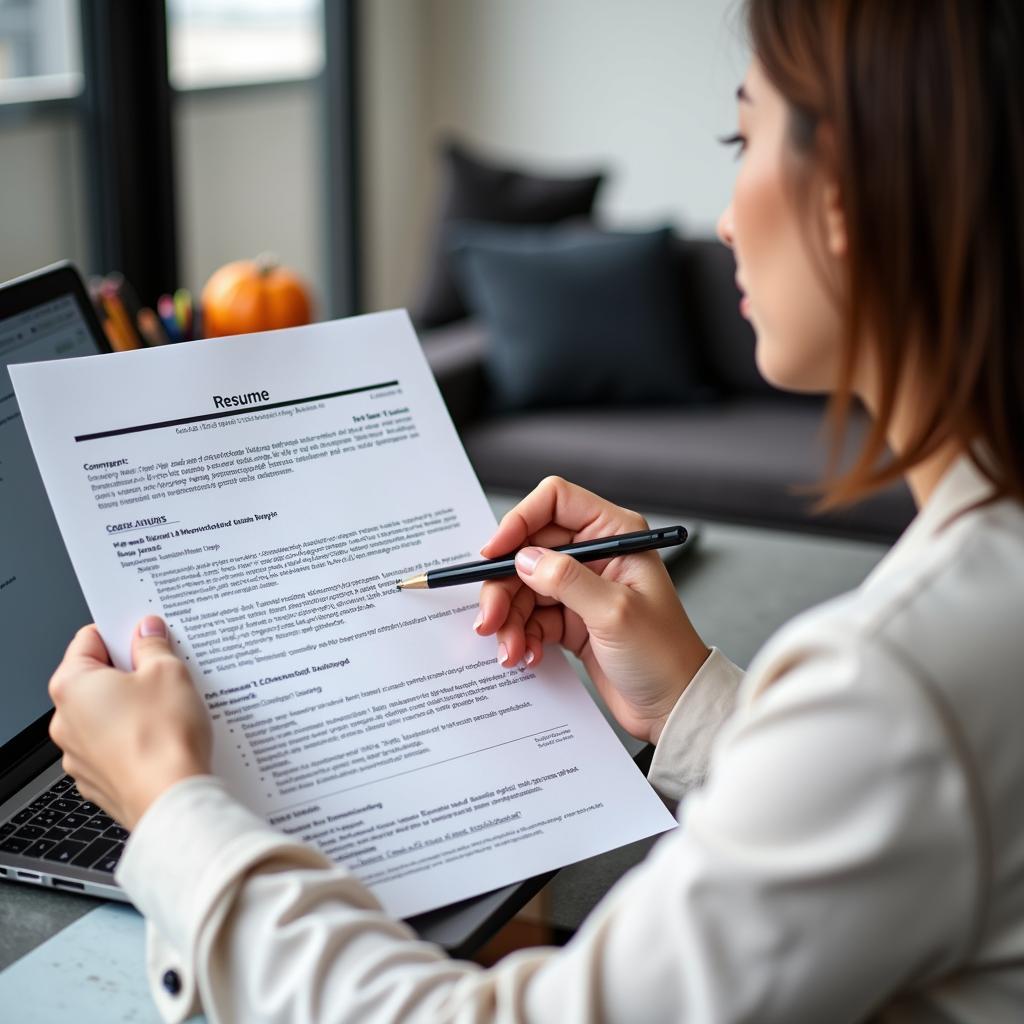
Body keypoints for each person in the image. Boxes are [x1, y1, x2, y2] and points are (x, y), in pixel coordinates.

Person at [45, 0, 1024, 1020]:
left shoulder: (901, 676)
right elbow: (896, 810)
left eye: (745, 137)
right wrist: (688, 700)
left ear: (853, 197)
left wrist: (172, 811)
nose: (725, 216)